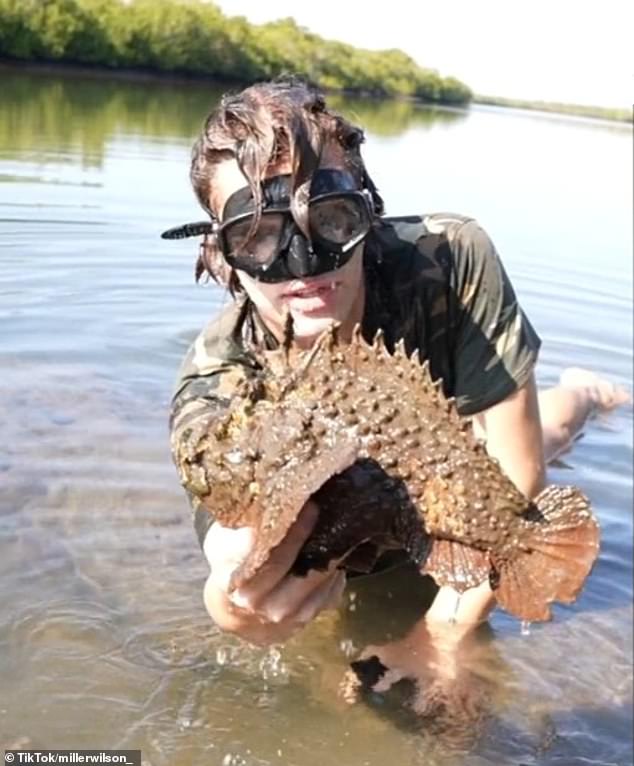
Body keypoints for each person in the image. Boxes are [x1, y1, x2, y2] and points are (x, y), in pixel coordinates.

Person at [164, 76, 629, 654]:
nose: (305, 266)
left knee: (545, 436)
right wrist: (232, 599)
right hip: (357, 530)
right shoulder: (218, 378)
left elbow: (515, 478)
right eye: (260, 236)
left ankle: (585, 393)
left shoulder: (450, 260)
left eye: (331, 219)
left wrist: (444, 637)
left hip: (455, 472)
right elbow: (226, 531)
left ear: (367, 208)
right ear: (223, 254)